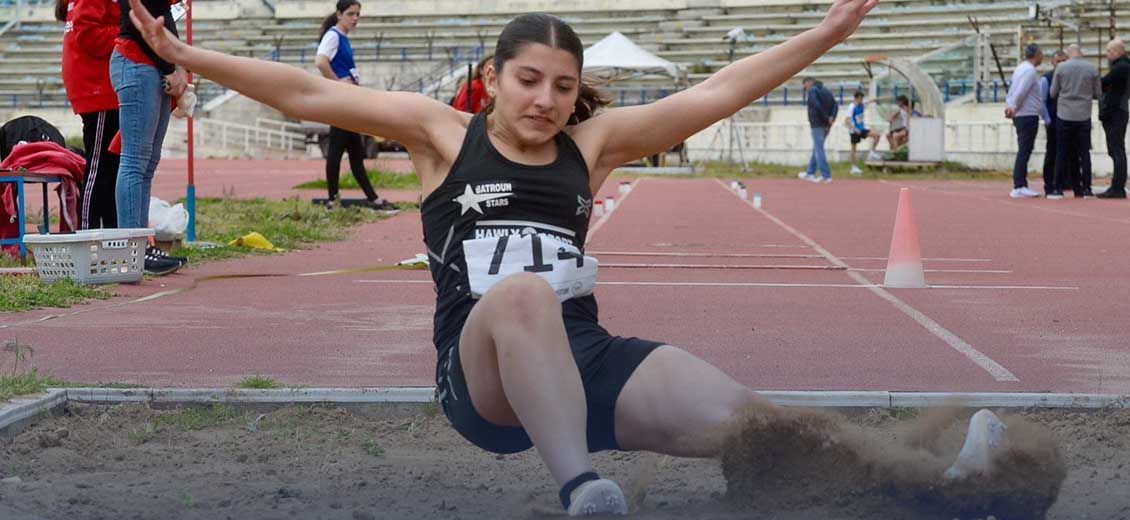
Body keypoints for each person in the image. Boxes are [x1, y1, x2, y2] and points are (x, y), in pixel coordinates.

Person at [124, 1, 1028, 516]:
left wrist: (826, 34)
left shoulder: (590, 148)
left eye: (563, 85)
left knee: (752, 422)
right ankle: (584, 489)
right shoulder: (442, 134)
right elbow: (308, 90)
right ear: (494, 76)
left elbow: (717, 91)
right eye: (529, 80)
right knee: (519, 297)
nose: (548, 100)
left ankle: (931, 480)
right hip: (479, 376)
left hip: (587, 361)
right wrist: (183, 52)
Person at [113, 0, 188, 275]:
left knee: (147, 162)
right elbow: (141, 20)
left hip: (152, 65)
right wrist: (171, 66)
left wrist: (178, 65)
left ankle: (141, 244)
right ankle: (132, 248)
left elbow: (165, 16)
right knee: (134, 161)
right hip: (137, 61)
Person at [315, 0, 394, 211]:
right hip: (341, 103)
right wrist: (338, 83)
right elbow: (320, 61)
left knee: (356, 154)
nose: (355, 18)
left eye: (358, 14)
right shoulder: (333, 35)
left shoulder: (343, 38)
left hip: (348, 102)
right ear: (339, 14)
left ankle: (371, 198)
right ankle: (334, 200)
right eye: (351, 14)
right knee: (337, 152)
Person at [57, 0, 121, 230]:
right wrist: (131, 34)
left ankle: (113, 235)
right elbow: (89, 35)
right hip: (98, 88)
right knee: (100, 167)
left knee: (112, 169)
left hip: (104, 86)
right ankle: (87, 234)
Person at [1050, 44, 1100, 199]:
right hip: (1084, 115)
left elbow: (1053, 92)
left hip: (1065, 114)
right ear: (1081, 53)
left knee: (1062, 152)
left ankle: (1058, 188)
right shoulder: (1092, 68)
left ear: (1068, 54)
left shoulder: (1061, 68)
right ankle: (1086, 189)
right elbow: (1098, 93)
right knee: (1084, 153)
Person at [1004, 43, 1044, 199]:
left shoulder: (1020, 68)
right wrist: (1013, 106)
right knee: (1025, 150)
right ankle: (1019, 185)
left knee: (1024, 149)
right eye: (1041, 53)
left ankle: (1021, 184)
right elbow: (1020, 92)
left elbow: (1013, 90)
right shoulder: (1029, 71)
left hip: (1021, 114)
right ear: (1037, 54)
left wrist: (1011, 105)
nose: (1043, 56)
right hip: (1027, 114)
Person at [1098, 38, 1130, 199]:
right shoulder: (1122, 66)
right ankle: (1117, 186)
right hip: (1119, 111)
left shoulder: (1121, 67)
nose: (1106, 54)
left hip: (1116, 112)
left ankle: (1117, 187)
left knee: (1117, 150)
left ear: (1118, 51)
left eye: (1109, 51)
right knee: (1116, 149)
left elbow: (1103, 82)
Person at [797, 77, 837, 183]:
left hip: (817, 124)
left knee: (819, 150)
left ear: (810, 82)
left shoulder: (813, 91)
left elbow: (816, 106)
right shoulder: (827, 91)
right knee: (817, 148)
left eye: (805, 84)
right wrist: (831, 118)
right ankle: (810, 172)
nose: (805, 87)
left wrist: (825, 118)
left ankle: (826, 175)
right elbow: (835, 105)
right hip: (826, 124)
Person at [1040, 49, 1067, 196]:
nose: (1062, 64)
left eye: (1064, 61)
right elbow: (1042, 101)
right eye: (1059, 61)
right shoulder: (1046, 79)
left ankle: (1062, 183)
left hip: (1067, 121)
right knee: (1052, 153)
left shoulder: (1069, 77)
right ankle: (1049, 184)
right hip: (1054, 122)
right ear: (1053, 62)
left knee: (1066, 154)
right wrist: (1048, 120)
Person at [843, 90, 879, 174]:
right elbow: (846, 121)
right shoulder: (851, 107)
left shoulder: (862, 104)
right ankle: (854, 168)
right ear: (857, 98)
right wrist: (855, 129)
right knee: (854, 149)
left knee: (877, 135)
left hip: (862, 129)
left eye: (862, 99)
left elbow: (871, 101)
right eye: (860, 99)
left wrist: (878, 99)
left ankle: (872, 152)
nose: (862, 100)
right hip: (854, 130)